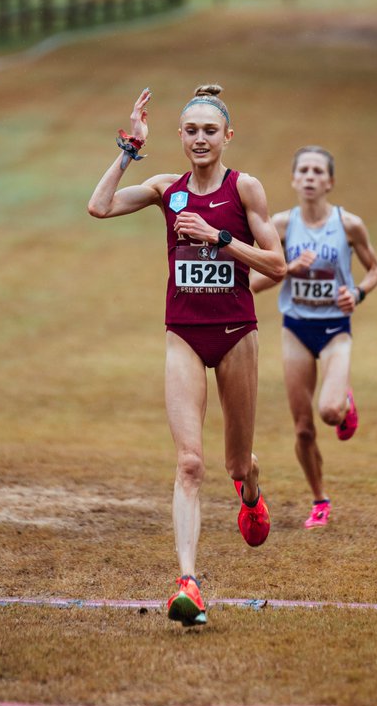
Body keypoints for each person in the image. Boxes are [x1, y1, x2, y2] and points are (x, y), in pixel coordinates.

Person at [88, 85, 286, 627]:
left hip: (236, 335)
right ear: (179, 135)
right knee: (190, 463)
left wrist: (219, 237)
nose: (200, 139)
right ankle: (188, 585)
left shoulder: (244, 188)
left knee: (235, 464)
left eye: (210, 131)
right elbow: (99, 206)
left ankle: (251, 493)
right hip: (183, 335)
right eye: (191, 131)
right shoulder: (165, 189)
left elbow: (277, 264)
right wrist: (130, 150)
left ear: (227, 136)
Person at [251, 147, 377, 529]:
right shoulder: (280, 226)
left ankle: (344, 402)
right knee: (303, 428)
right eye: (304, 171)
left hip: (335, 329)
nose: (310, 177)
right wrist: (288, 268)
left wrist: (357, 293)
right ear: (294, 180)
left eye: (318, 171)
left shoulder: (349, 225)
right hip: (296, 327)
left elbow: (376, 270)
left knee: (328, 412)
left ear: (330, 182)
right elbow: (254, 283)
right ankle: (320, 500)